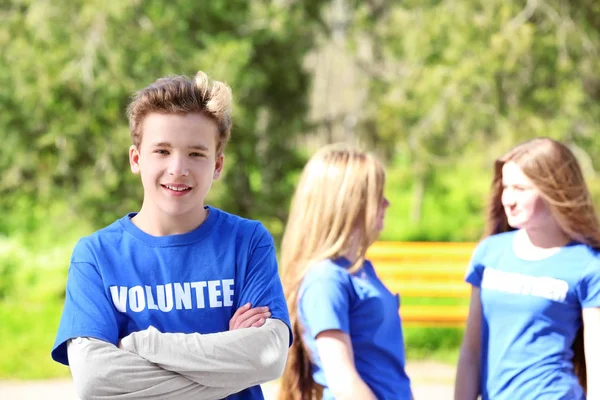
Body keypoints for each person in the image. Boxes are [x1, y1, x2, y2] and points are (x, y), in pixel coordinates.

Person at [51, 71, 291, 400]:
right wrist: (229, 359)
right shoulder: (96, 255)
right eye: (162, 151)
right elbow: (95, 379)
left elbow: (269, 355)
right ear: (136, 159)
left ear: (218, 165)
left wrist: (143, 346)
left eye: (196, 153)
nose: (178, 168)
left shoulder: (248, 242)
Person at [454, 137, 600, 400]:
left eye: (520, 189)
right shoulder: (490, 252)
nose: (508, 199)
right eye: (506, 187)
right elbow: (471, 352)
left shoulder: (589, 264)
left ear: (555, 190)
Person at [277, 144, 413, 400]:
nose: (387, 203)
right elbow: (344, 382)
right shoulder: (325, 280)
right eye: (377, 195)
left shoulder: (361, 270)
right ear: (350, 204)